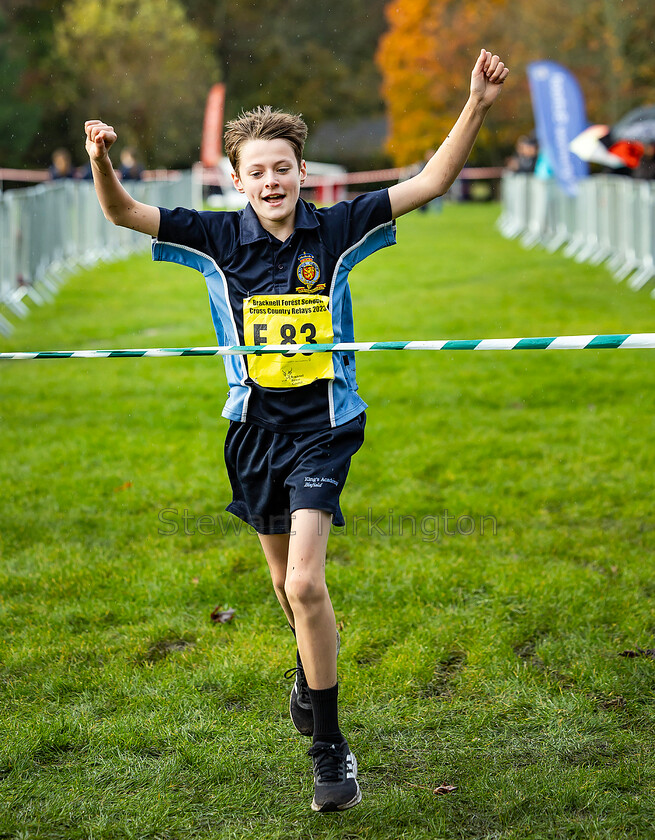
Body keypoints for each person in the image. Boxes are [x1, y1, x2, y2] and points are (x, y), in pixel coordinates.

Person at [83, 48, 508, 813]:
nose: (273, 181)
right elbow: (120, 213)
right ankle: (311, 680)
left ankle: (330, 748)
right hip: (252, 432)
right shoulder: (213, 238)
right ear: (237, 181)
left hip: (323, 428)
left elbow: (432, 181)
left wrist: (474, 102)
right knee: (285, 588)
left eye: (284, 167)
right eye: (258, 171)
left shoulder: (337, 229)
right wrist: (100, 160)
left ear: (301, 173)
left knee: (307, 582)